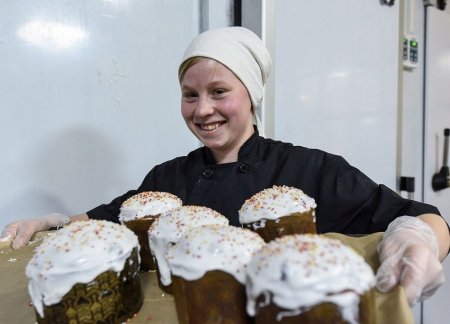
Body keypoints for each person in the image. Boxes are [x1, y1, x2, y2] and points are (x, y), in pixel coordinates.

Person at [1, 27, 448, 307]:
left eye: (219, 92)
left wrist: (419, 239)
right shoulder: (167, 178)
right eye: (190, 95)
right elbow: (106, 220)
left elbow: (420, 214)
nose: (203, 110)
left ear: (250, 96)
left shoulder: (307, 168)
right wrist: (52, 221)